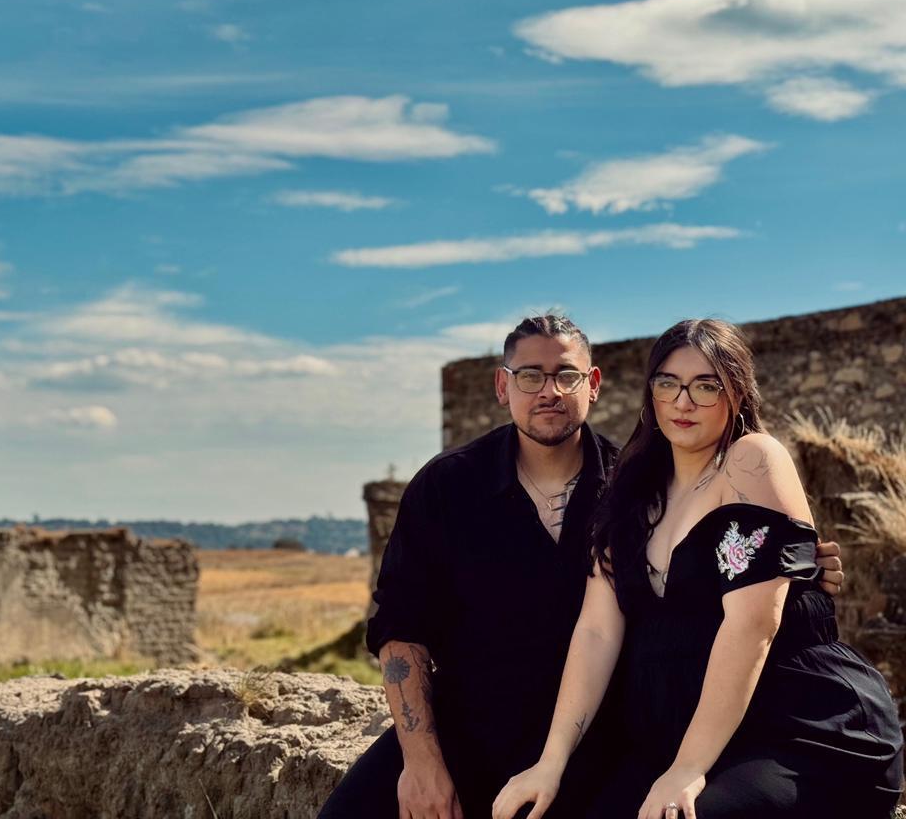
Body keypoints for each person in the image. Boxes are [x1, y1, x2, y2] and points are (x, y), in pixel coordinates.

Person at [317, 314, 843, 819]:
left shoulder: (628, 483)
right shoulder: (448, 485)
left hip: (600, 736)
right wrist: (421, 762)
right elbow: (401, 626)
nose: (549, 391)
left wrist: (795, 569)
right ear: (502, 387)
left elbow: (709, 593)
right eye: (530, 376)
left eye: (566, 375)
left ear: (592, 385)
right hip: (468, 722)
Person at [492, 318, 902, 819]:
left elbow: (753, 625)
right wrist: (551, 762)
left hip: (797, 727)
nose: (683, 402)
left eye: (706, 386)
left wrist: (687, 769)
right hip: (677, 737)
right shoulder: (631, 491)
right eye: (668, 384)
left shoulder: (751, 460)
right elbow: (597, 631)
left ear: (736, 393)